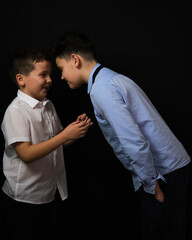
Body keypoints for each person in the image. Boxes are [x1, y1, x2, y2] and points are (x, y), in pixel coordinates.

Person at [52, 31, 191, 240]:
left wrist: (152, 186)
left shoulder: (102, 88)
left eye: (61, 69)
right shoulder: (110, 78)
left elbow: (133, 142)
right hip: (170, 168)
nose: (61, 76)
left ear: (75, 60)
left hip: (164, 174)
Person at [0, 49, 92, 240]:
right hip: (25, 197)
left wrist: (76, 130)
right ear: (21, 79)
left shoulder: (48, 105)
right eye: (43, 75)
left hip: (48, 192)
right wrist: (64, 135)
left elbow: (58, 142)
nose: (50, 79)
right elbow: (26, 154)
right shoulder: (15, 111)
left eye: (50, 74)